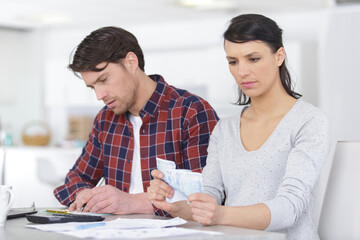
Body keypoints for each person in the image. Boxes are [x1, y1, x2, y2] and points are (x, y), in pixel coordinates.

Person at [147, 14, 330, 240]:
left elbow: (290, 208)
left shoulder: (309, 121)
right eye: (233, 61)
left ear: (279, 56)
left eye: (253, 59)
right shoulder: (225, 129)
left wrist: (218, 215)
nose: (242, 71)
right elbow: (210, 196)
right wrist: (176, 205)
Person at [53, 26, 219, 216]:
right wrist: (83, 193)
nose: (100, 95)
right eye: (93, 87)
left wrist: (132, 203)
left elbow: (207, 196)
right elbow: (76, 178)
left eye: (104, 79)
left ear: (131, 62)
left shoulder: (191, 111)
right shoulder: (105, 119)